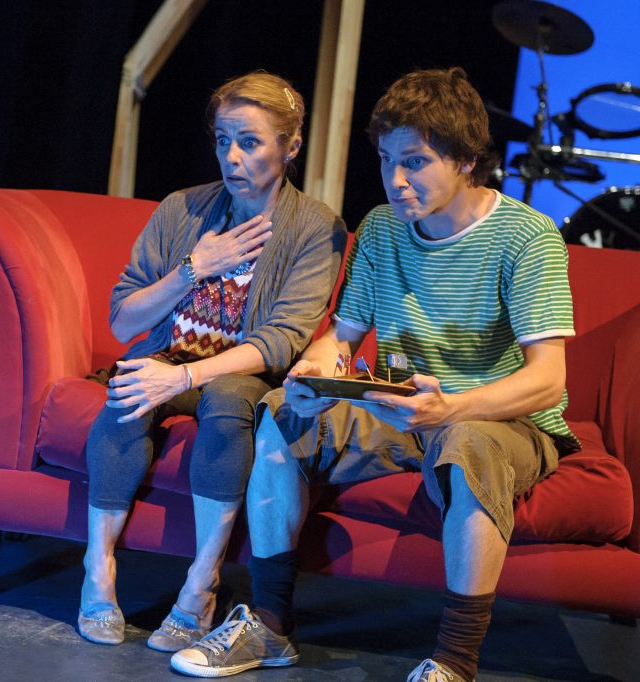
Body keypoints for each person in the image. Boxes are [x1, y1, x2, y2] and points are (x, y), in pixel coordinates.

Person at [170, 67, 579, 681]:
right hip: (401, 407)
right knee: (281, 412)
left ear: (467, 160)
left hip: (496, 418)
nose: (396, 180)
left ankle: (455, 660)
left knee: (468, 444)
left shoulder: (527, 236)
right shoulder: (383, 228)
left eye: (415, 162)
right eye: (387, 160)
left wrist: (450, 408)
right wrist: (316, 370)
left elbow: (548, 380)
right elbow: (342, 334)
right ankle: (271, 626)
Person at [78, 72, 346, 652]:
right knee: (127, 391)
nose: (232, 157)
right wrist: (193, 269)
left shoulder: (314, 227)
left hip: (240, 375)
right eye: (223, 140)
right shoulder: (183, 209)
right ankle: (97, 569)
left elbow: (282, 341)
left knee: (228, 401)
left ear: (291, 146)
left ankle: (201, 584)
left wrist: (184, 376)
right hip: (167, 356)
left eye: (250, 142)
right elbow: (123, 321)